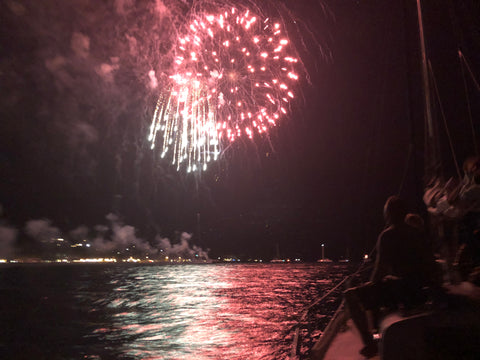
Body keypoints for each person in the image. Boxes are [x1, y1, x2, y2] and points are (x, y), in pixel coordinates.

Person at [344, 196, 438, 358]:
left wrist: (370, 285)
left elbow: (379, 271)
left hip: (401, 291)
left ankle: (370, 343)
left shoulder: (387, 236)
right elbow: (430, 264)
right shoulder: (418, 234)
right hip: (420, 291)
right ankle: (377, 332)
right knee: (379, 288)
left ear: (389, 215)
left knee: (351, 295)